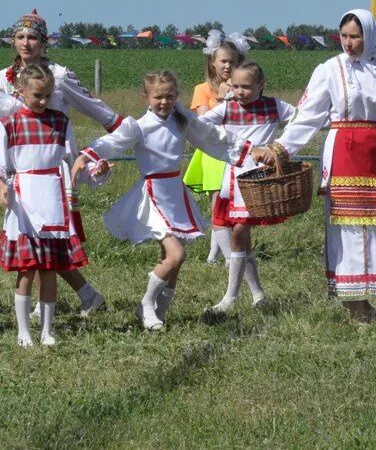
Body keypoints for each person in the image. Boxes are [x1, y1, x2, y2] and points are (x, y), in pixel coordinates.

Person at [262, 9, 376, 322]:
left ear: (368, 36)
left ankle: (371, 296)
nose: (348, 43)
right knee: (348, 228)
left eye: (355, 36)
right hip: (343, 154)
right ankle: (354, 303)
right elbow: (310, 115)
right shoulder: (330, 69)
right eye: (343, 36)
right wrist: (281, 147)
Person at [73, 71, 266, 330]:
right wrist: (87, 156)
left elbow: (212, 137)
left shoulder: (182, 121)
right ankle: (146, 303)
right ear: (146, 97)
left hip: (176, 193)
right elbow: (113, 141)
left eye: (170, 96)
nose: (164, 102)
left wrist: (249, 149)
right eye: (158, 97)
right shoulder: (139, 126)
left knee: (172, 260)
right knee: (176, 255)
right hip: (153, 194)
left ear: (176, 96)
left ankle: (159, 311)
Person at [0, 9, 121, 319]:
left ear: (44, 41)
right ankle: (83, 296)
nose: (26, 43)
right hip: (15, 172)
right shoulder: (2, 79)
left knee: (48, 239)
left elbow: (100, 112)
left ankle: (67, 301)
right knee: (31, 240)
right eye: (20, 36)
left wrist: (130, 135)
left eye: (33, 37)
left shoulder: (60, 76)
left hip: (52, 171)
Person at [0, 66, 105, 346]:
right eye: (37, 95)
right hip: (23, 202)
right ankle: (24, 332)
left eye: (48, 95)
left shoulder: (61, 122)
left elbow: (74, 161)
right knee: (27, 269)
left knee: (49, 268)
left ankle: (47, 330)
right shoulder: (9, 124)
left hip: (51, 200)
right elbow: (1, 165)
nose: (44, 101)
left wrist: (96, 169)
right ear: (20, 91)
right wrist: (2, 185)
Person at [200, 61, 295, 314]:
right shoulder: (227, 108)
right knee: (239, 238)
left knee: (239, 234)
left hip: (258, 184)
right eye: (236, 86)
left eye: (246, 87)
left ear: (260, 85)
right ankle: (257, 294)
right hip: (231, 180)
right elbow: (200, 124)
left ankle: (230, 298)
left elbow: (301, 120)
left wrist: (279, 148)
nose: (240, 92)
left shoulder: (274, 106)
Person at [183, 30, 249, 265]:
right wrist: (221, 99)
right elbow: (203, 122)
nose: (228, 66)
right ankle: (217, 251)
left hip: (235, 150)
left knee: (235, 201)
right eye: (223, 61)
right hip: (213, 151)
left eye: (233, 61)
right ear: (212, 62)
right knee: (217, 200)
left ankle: (224, 249)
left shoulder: (242, 87)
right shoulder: (203, 89)